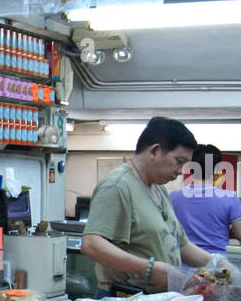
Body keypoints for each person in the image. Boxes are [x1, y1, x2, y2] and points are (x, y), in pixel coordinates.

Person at [81, 116, 212, 292]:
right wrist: (150, 269)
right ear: (155, 151)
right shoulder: (118, 186)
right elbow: (91, 244)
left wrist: (218, 264)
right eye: (179, 162)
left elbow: (181, 245)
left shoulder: (158, 189)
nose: (181, 171)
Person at [168, 144, 241, 254]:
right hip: (217, 265)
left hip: (183, 265)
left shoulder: (173, 197)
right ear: (217, 170)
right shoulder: (229, 198)